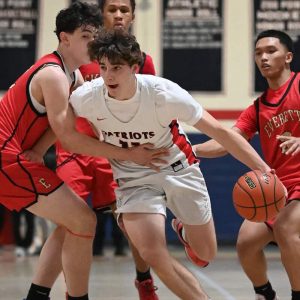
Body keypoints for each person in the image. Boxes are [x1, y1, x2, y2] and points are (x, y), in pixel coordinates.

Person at [67, 29, 272, 300]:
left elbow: (222, 134)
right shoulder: (88, 98)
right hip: (133, 177)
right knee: (153, 252)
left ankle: (184, 230)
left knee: (206, 253)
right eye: (103, 67)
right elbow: (59, 126)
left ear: (134, 68)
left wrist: (262, 168)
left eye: (116, 68)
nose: (108, 76)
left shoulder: (164, 94)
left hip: (177, 167)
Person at [0, 2, 166, 300]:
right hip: (8, 158)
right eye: (86, 37)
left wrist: (38, 150)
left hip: (21, 157)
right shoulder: (53, 74)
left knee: (80, 221)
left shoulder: (73, 76)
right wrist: (131, 155)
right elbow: (71, 137)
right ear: (65, 38)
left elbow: (66, 117)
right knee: (81, 220)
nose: (93, 44)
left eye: (94, 36)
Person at [54, 0, 159, 298]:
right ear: (101, 14)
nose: (118, 15)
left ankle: (144, 280)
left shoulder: (143, 60)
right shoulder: (79, 54)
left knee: (130, 224)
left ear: (133, 15)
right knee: (68, 222)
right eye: (112, 9)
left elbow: (153, 105)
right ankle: (67, 291)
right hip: (76, 149)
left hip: (116, 153)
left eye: (124, 9)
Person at [193, 30, 300, 300]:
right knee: (246, 243)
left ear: (288, 57)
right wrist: (188, 149)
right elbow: (227, 142)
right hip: (278, 189)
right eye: (258, 53)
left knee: (287, 229)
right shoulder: (258, 107)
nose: (264, 57)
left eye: (271, 51)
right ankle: (264, 293)